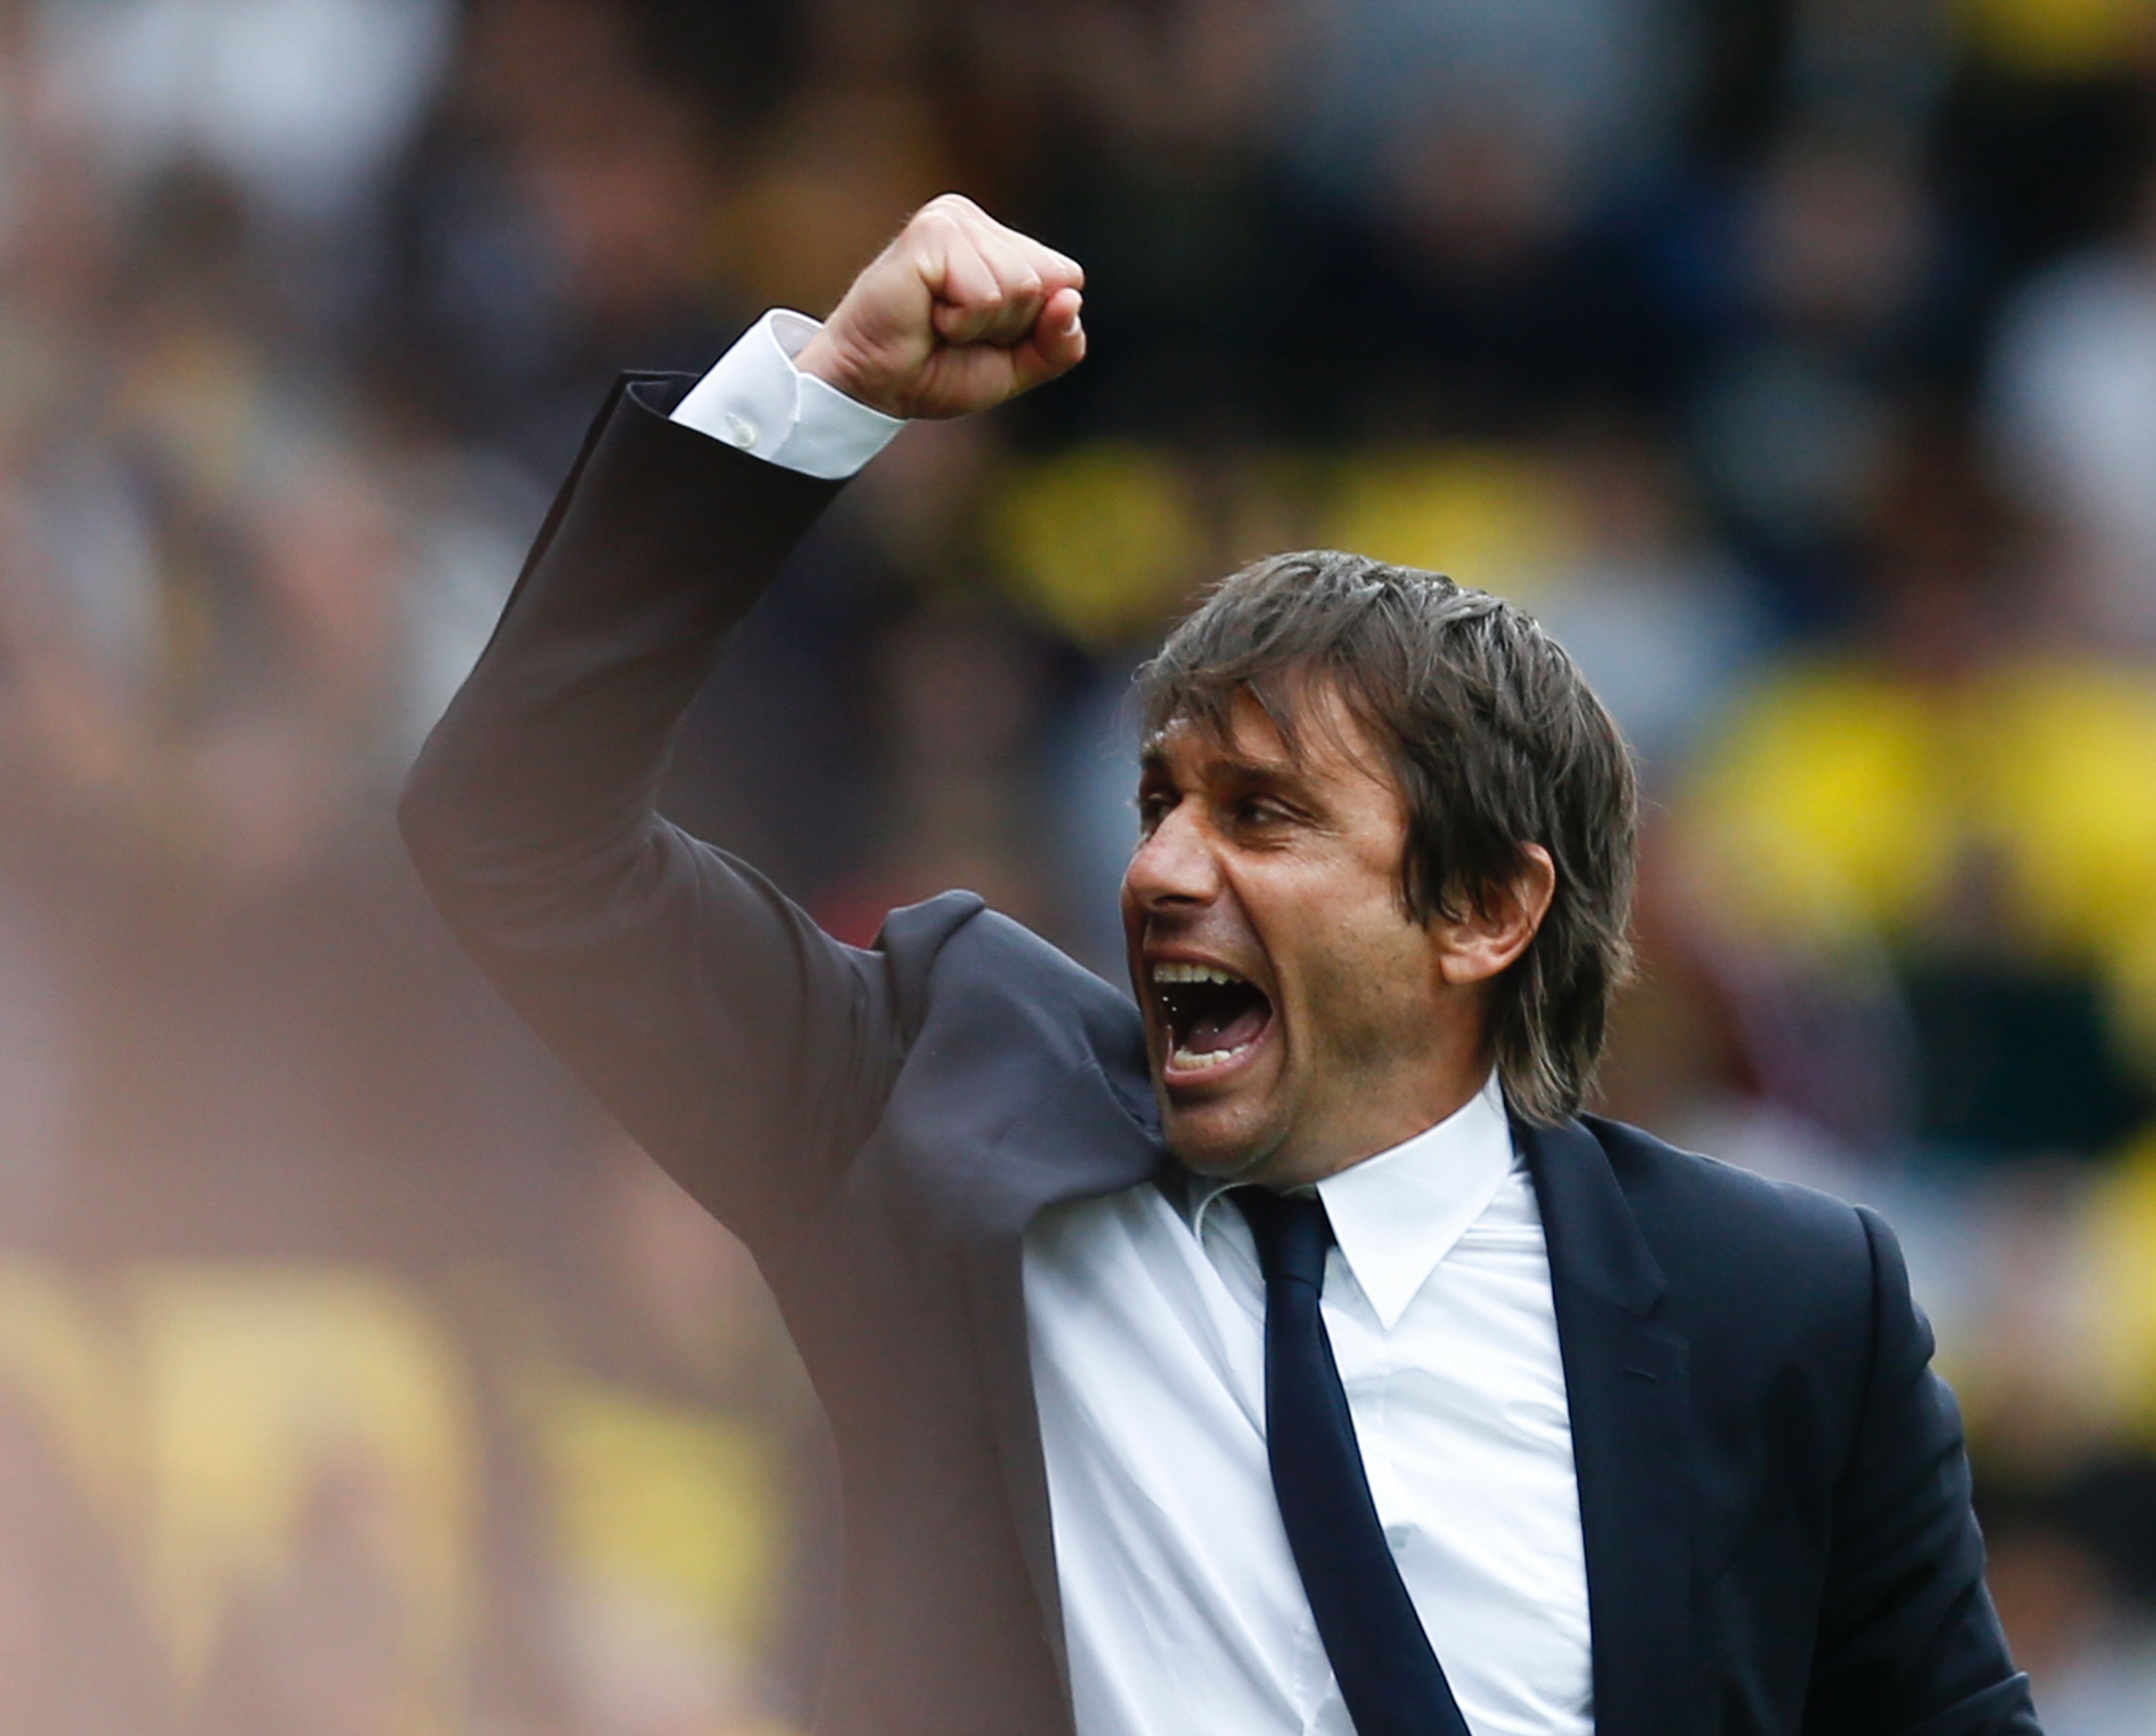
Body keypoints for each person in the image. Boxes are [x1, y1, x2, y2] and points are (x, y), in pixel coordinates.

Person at [402, 195, 2036, 1736]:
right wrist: (824, 394)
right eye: (1157, 803)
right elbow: (516, 827)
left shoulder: (1791, 1304)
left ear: (1484, 910)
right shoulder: (930, 1105)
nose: (1165, 871)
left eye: (1263, 815)